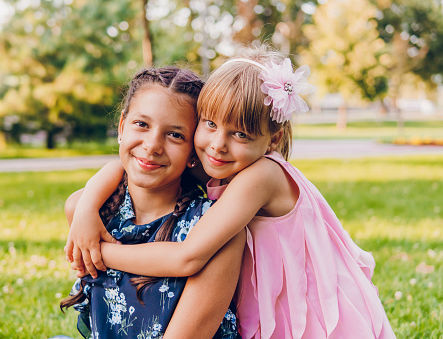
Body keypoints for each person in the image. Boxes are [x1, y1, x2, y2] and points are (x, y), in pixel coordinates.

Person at [66, 45, 396, 339]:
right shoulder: (218, 160)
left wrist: (97, 252)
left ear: (273, 138)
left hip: (311, 311)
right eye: (209, 124)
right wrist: (84, 211)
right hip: (272, 300)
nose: (218, 145)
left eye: (240, 132)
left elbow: (187, 256)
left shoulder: (261, 175)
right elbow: (129, 166)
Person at [60, 66, 245, 339]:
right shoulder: (91, 214)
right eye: (142, 124)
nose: (152, 145)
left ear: (194, 151)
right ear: (122, 127)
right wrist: (87, 207)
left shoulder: (216, 230)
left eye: (175, 135)